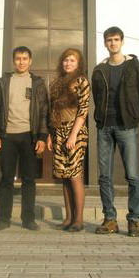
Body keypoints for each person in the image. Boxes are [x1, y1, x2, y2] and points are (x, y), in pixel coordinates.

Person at [91, 26, 139, 237]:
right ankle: (110, 219)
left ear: (122, 41)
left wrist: (134, 118)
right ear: (105, 43)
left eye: (116, 39)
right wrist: (100, 119)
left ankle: (134, 220)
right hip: (104, 127)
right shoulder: (99, 70)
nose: (113, 43)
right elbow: (97, 96)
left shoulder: (135, 67)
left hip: (126, 127)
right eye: (109, 40)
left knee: (132, 175)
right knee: (104, 176)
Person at [0, 46, 49, 231]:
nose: (21, 62)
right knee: (6, 178)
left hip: (29, 137)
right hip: (7, 136)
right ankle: (3, 219)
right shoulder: (4, 81)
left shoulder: (37, 83)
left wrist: (42, 137)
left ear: (30, 61)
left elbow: (44, 111)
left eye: (24, 58)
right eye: (18, 58)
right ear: (13, 61)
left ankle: (28, 219)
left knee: (29, 179)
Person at [47, 48, 90, 232]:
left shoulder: (81, 80)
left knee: (74, 175)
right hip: (58, 131)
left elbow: (84, 109)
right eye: (66, 60)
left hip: (75, 132)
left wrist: (73, 135)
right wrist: (50, 134)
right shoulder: (58, 82)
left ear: (78, 63)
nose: (68, 63)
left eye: (72, 60)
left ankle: (78, 220)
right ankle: (68, 218)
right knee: (64, 177)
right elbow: (53, 111)